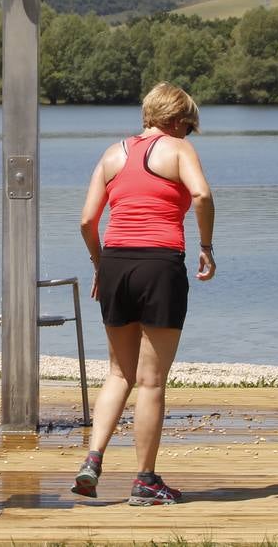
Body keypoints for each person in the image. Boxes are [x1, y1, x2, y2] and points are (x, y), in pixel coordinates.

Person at [72, 82, 215, 506]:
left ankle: (92, 461)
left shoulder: (112, 154)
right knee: (151, 381)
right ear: (174, 120)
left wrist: (100, 265)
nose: (187, 135)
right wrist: (206, 246)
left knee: (119, 372)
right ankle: (145, 481)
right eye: (188, 126)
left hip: (115, 263)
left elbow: (85, 221)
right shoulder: (177, 149)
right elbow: (202, 194)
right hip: (159, 263)